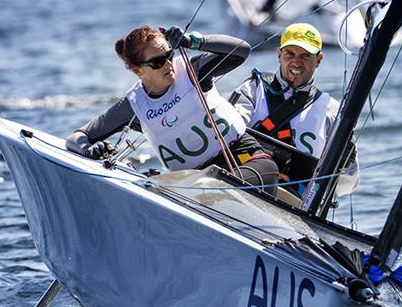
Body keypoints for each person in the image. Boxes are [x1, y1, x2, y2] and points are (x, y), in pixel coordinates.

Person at [66, 25, 279, 194]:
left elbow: (242, 50)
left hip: (247, 159)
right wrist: (87, 149)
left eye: (169, 55)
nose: (169, 64)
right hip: (196, 183)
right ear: (139, 70)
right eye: (158, 62)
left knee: (214, 191)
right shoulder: (133, 105)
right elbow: (77, 137)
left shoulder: (192, 71)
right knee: (204, 192)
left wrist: (193, 41)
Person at [229, 22, 358, 196]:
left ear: (318, 60)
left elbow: (347, 183)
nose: (296, 62)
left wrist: (346, 155)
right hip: (243, 185)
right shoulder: (253, 88)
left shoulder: (332, 111)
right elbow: (227, 133)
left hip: (295, 205)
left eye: (305, 56)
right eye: (290, 54)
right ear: (279, 55)